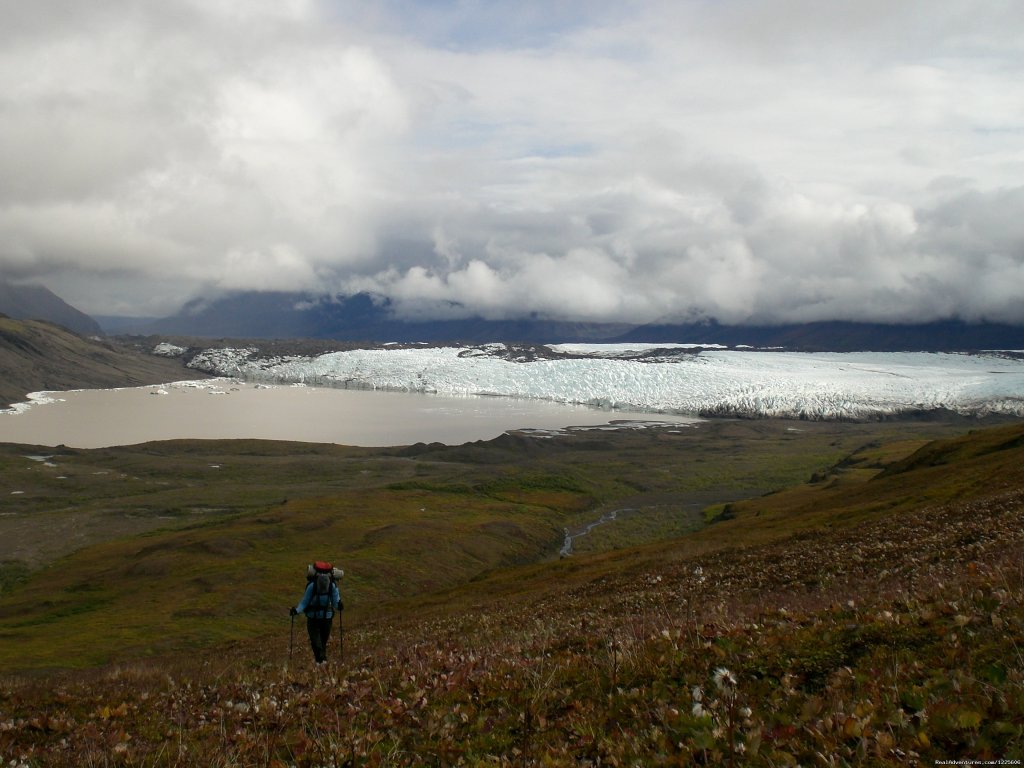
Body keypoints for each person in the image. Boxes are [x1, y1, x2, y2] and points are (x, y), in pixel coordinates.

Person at [290, 568, 342, 664]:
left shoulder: (331, 586)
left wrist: (339, 605)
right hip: (317, 618)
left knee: (322, 642)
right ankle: (322, 661)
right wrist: (296, 611)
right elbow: (305, 602)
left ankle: (320, 662)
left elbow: (335, 602)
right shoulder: (314, 586)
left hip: (323, 618)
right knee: (316, 642)